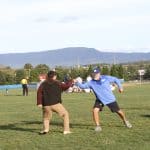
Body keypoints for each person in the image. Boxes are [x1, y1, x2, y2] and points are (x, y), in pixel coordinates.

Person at [74, 67, 132, 132]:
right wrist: (77, 82)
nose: (95, 75)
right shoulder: (91, 82)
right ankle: (98, 126)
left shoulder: (105, 78)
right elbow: (83, 86)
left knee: (118, 112)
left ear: (99, 73)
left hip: (110, 99)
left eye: (96, 73)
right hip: (100, 99)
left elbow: (116, 79)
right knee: (95, 110)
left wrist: (120, 87)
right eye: (94, 73)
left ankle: (125, 121)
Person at [37, 70, 73, 135]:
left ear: (47, 76)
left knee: (46, 118)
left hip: (46, 105)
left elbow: (39, 92)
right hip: (56, 104)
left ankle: (45, 129)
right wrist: (71, 81)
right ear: (55, 76)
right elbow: (66, 87)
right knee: (65, 114)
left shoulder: (43, 84)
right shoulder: (58, 82)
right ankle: (66, 130)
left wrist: (39, 103)